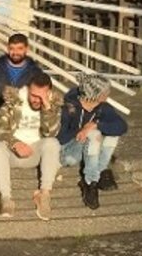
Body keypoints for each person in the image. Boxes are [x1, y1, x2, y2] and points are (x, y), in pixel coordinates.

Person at [0, 71, 62, 221]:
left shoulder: (52, 105)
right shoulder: (14, 102)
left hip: (35, 153)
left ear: (49, 93)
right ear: (28, 89)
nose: (37, 100)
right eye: (34, 95)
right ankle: (6, 198)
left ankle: (44, 194)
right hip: (11, 153)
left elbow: (51, 133)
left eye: (42, 96)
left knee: (53, 143)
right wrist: (14, 142)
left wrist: (47, 109)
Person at [58, 73, 127, 210]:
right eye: (106, 91)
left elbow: (122, 126)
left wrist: (95, 124)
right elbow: (59, 138)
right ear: (96, 94)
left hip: (90, 148)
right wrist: (82, 131)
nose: (109, 93)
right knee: (94, 135)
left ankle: (96, 176)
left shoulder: (102, 107)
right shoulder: (68, 108)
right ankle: (91, 181)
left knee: (110, 134)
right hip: (67, 153)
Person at [0, 33, 43, 119]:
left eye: (20, 48)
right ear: (7, 49)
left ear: (27, 49)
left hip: (24, 116)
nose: (15, 52)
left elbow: (39, 97)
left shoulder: (36, 73)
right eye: (12, 48)